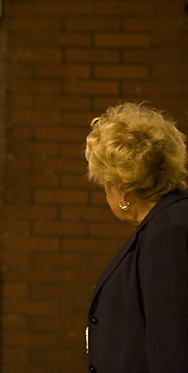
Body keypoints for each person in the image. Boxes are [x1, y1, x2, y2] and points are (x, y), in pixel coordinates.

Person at [85, 102, 188, 372]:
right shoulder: (168, 222)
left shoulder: (168, 233)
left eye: (105, 183)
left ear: (123, 191)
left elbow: (172, 342)